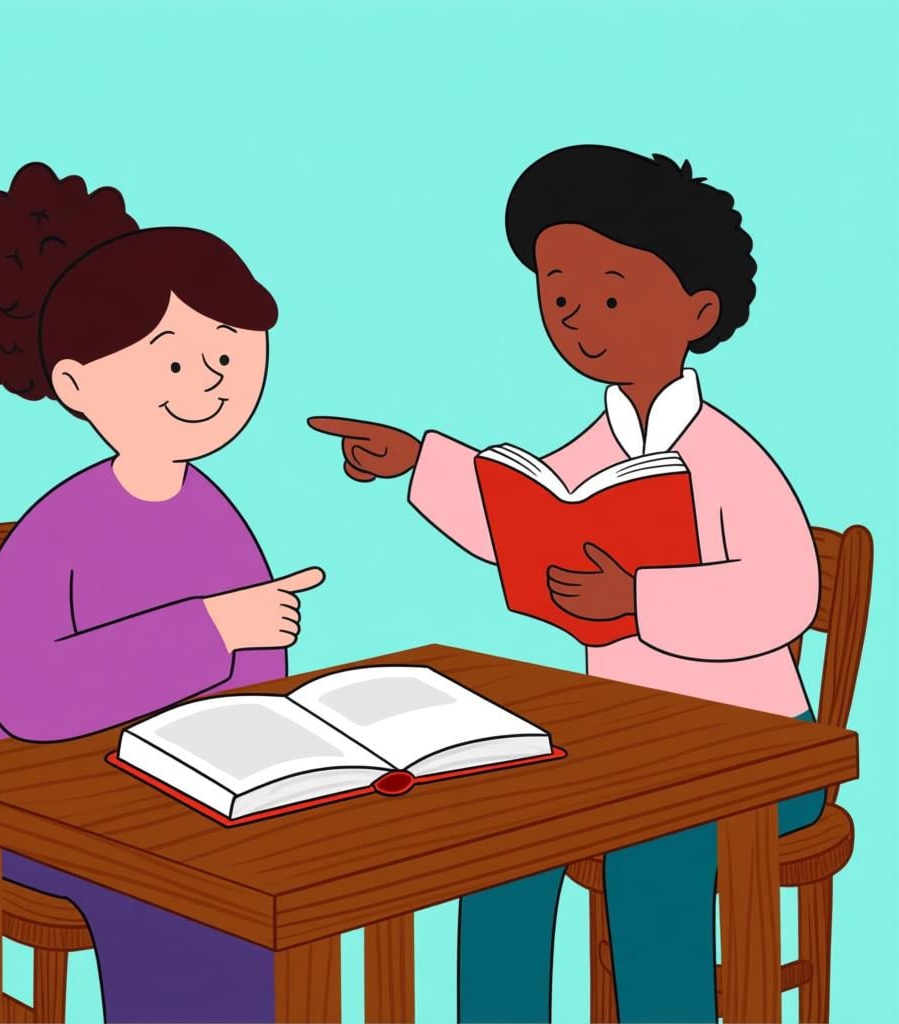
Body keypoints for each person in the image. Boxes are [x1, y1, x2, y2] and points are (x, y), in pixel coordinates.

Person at [309, 144, 826, 1024]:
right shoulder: (602, 446)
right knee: (501, 838)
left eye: (611, 297)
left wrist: (641, 601)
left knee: (651, 854)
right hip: (630, 745)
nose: (581, 322)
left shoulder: (730, 458)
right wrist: (416, 462)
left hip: (757, 750)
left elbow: (786, 595)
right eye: (559, 299)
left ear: (697, 310)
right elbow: (521, 520)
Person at [0, 161, 324, 1024]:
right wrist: (212, 629)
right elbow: (30, 697)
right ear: (77, 385)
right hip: (49, 812)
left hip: (188, 799)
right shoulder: (54, 532)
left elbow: (255, 681)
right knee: (191, 900)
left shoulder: (215, 514)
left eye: (226, 352)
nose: (211, 380)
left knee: (299, 876)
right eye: (176, 361)